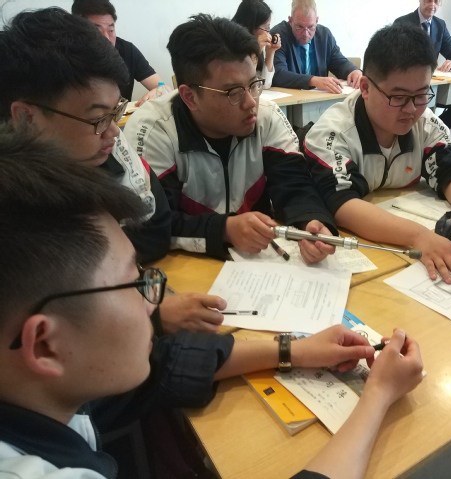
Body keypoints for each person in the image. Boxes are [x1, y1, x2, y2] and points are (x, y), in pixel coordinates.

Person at [0, 128, 425, 479]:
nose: (153, 304)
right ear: (45, 344)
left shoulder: (37, 381)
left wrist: (292, 350)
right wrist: (378, 394)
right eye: (136, 283)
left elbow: (163, 365)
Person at [0, 7, 223, 336]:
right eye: (98, 118)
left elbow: (155, 226)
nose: (115, 131)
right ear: (25, 118)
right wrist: (149, 317)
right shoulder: (15, 212)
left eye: (116, 111)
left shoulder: (100, 145)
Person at [124, 15, 337, 264]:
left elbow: (295, 183)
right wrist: (224, 229)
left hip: (259, 264)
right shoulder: (153, 131)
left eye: (254, 84)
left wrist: (311, 220)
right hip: (182, 266)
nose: (251, 102)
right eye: (233, 92)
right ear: (190, 97)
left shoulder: (265, 115)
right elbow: (150, 224)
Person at [304, 24, 451, 285]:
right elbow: (342, 204)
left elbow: (450, 169)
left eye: (421, 95)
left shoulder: (425, 123)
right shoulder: (333, 133)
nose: (411, 109)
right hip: (369, 253)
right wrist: (418, 237)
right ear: (365, 87)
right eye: (398, 97)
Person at [394, 0, 451, 129]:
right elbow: (396, 58)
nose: (432, 5)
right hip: (410, 85)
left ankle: (435, 131)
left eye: (436, 1)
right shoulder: (402, 23)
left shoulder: (440, 25)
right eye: (428, 0)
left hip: (432, 85)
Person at [72, 0, 164, 106]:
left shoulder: (127, 50)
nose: (107, 39)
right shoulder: (66, 57)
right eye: (97, 32)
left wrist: (158, 92)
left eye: (111, 30)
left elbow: (162, 87)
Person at [270, 0, 361, 93]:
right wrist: (313, 80)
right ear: (290, 21)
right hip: (290, 98)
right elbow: (278, 74)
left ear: (316, 21)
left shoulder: (325, 35)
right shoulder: (278, 36)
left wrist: (353, 71)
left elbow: (339, 63)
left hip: (319, 98)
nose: (305, 34)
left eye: (310, 27)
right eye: (299, 27)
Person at [232, 0, 281, 89]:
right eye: (266, 28)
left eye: (269, 27)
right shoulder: (231, 45)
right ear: (251, 26)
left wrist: (270, 52)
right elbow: (246, 84)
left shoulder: (258, 43)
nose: (268, 32)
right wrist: (255, 51)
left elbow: (265, 85)